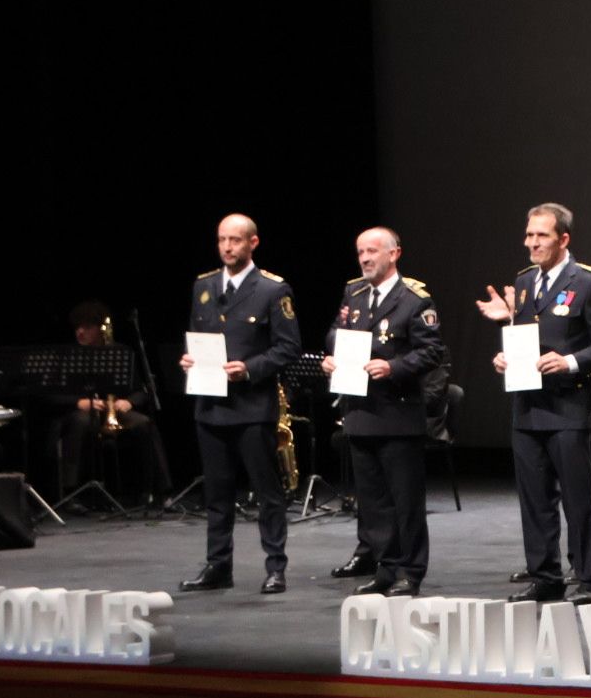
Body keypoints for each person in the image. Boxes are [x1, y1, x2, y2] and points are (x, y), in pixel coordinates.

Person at [477, 203, 591, 604]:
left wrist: (571, 361)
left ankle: (590, 577)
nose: (532, 243)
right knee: (535, 498)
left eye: (541, 235)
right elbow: (525, 335)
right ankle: (545, 575)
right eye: (529, 235)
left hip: (568, 408)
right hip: (527, 406)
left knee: (579, 499)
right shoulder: (525, 282)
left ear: (563, 239)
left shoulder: (589, 282)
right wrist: (505, 354)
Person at [177, 215, 300, 595]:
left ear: (252, 243)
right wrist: (189, 359)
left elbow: (287, 348)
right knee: (217, 492)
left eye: (235, 240)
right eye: (222, 240)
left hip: (251, 407)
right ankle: (218, 565)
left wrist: (249, 369)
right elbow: (199, 339)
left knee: (267, 491)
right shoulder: (204, 285)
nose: (227, 247)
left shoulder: (271, 290)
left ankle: (275, 567)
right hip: (211, 405)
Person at [321, 227, 446, 598]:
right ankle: (386, 566)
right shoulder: (354, 293)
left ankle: (411, 571)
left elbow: (431, 352)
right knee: (374, 503)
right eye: (360, 251)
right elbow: (336, 333)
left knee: (405, 502)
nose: (364, 258)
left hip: (397, 414)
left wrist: (393, 368)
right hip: (360, 411)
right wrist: (333, 357)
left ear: (394, 254)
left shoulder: (414, 300)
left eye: (372, 251)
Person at [51, 301, 172, 502]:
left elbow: (142, 390)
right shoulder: (66, 356)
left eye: (87, 327)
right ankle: (72, 492)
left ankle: (160, 490)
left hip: (114, 410)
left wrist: (129, 402)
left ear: (100, 329)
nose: (80, 332)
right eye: (77, 327)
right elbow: (50, 394)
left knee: (144, 423)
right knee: (80, 422)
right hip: (82, 412)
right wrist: (78, 402)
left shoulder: (120, 352)